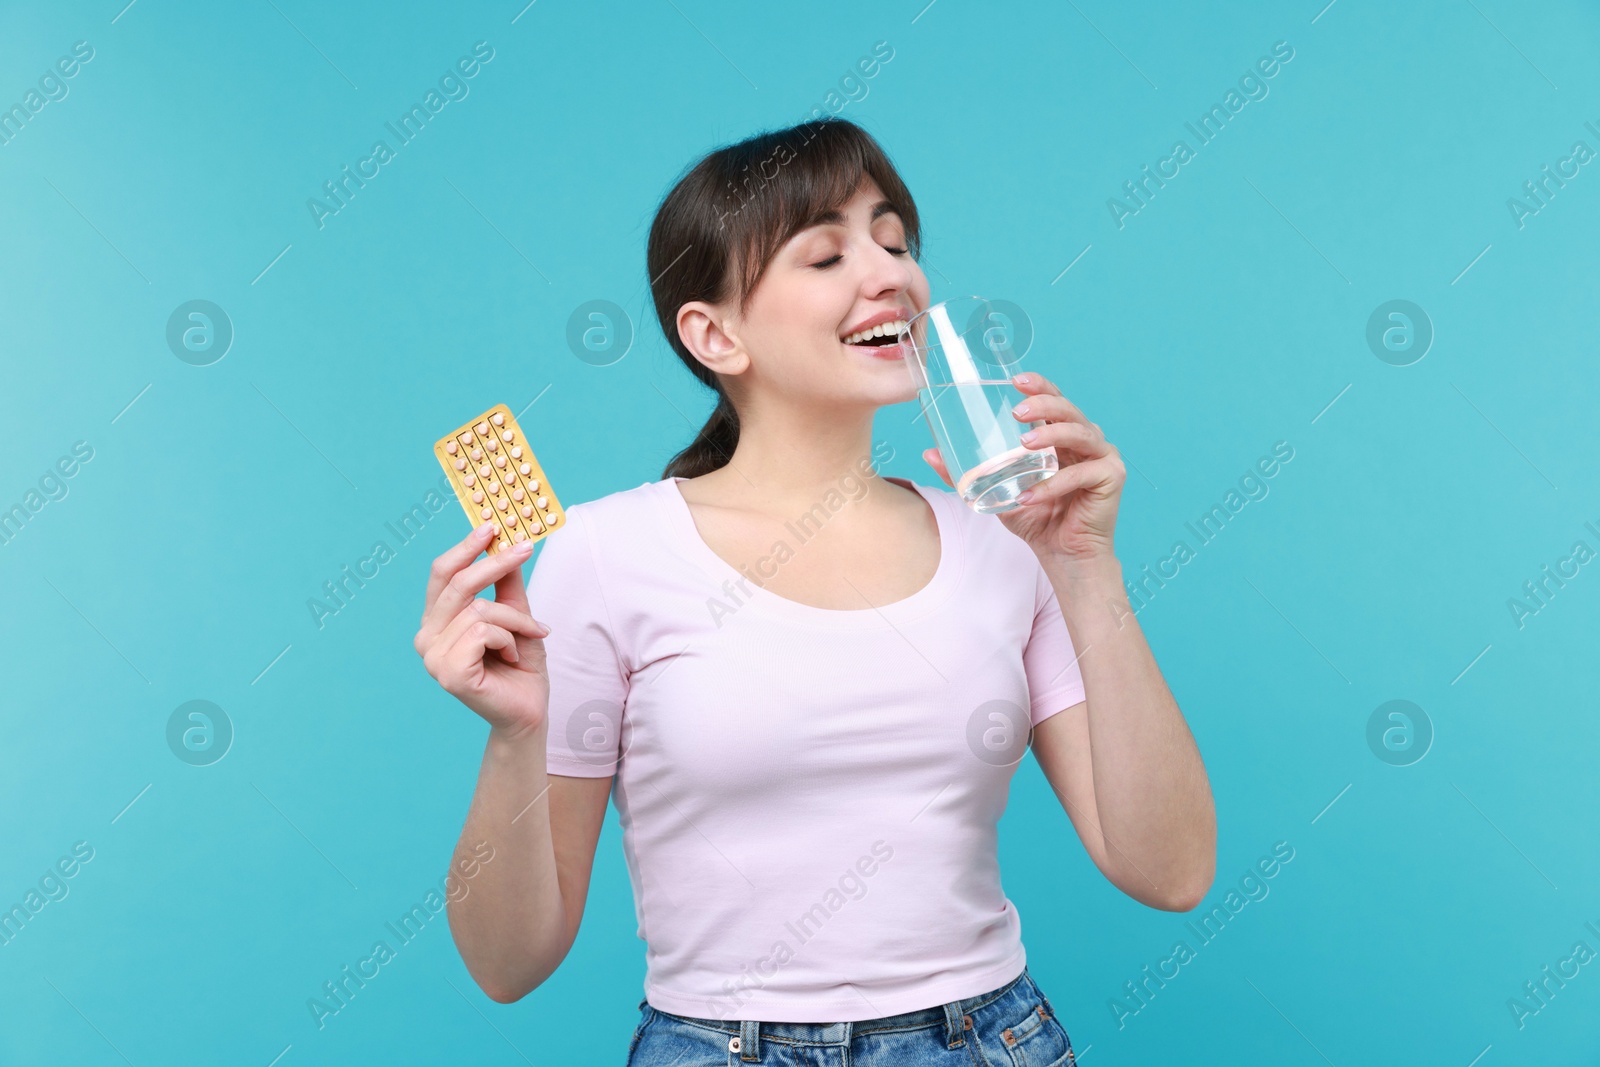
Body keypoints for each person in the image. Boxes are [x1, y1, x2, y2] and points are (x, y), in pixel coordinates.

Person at [414, 116, 1215, 1065]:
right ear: (715, 333)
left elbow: (1171, 871)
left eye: (895, 240)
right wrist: (514, 736)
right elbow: (510, 964)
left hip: (987, 1039)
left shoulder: (1004, 540)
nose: (890, 273)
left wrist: (1086, 569)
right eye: (827, 253)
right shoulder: (607, 550)